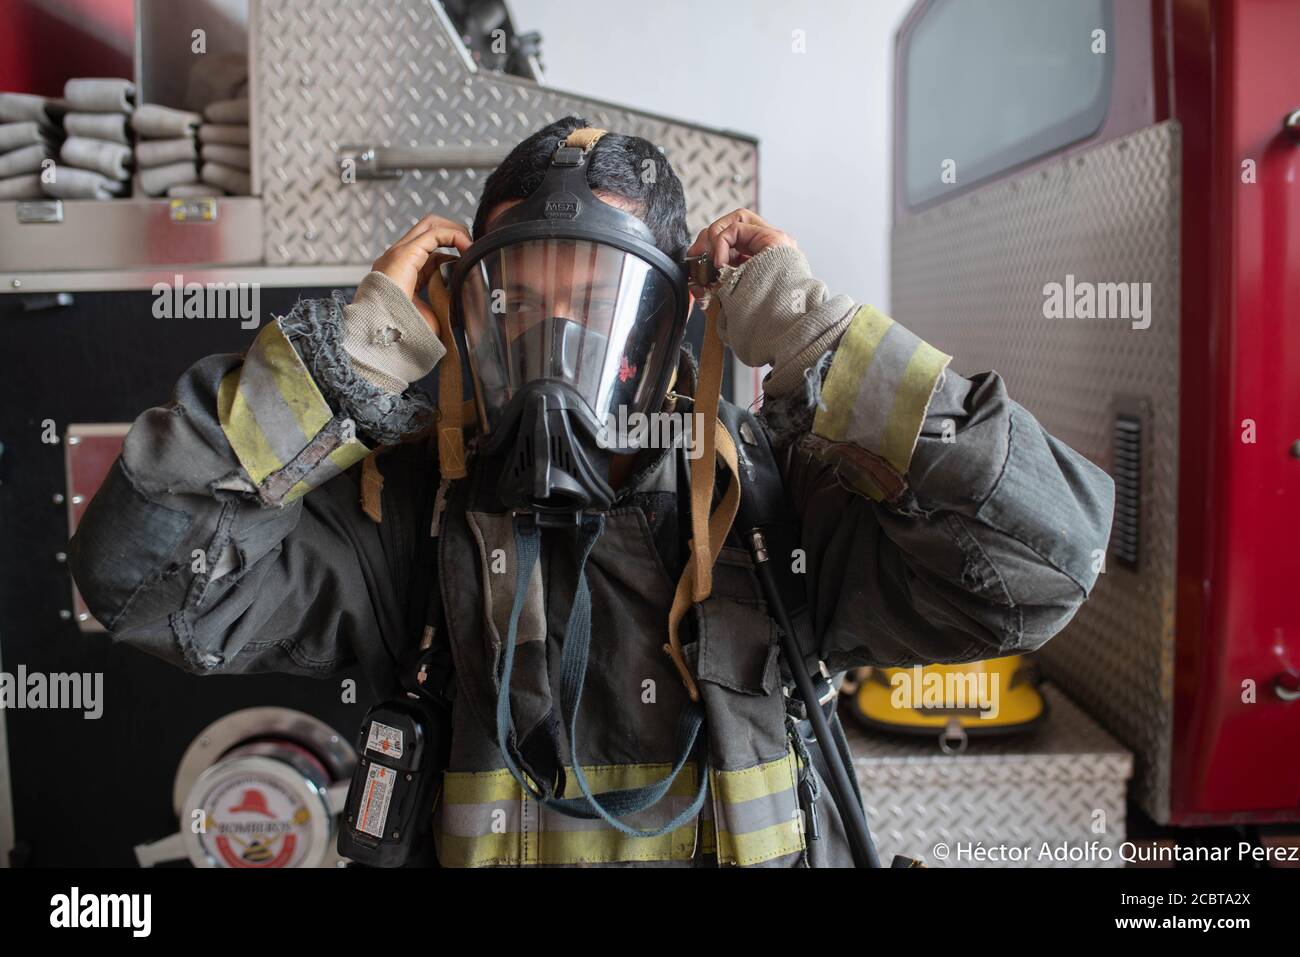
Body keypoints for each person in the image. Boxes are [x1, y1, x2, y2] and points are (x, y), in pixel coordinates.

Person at [69, 116, 1114, 868]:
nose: (558, 350)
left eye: (599, 303)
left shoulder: (771, 511)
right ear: (462, 318)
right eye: (518, 304)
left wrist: (818, 340)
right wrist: (348, 359)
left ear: (675, 324)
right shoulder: (404, 519)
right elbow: (142, 579)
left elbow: (1043, 560)